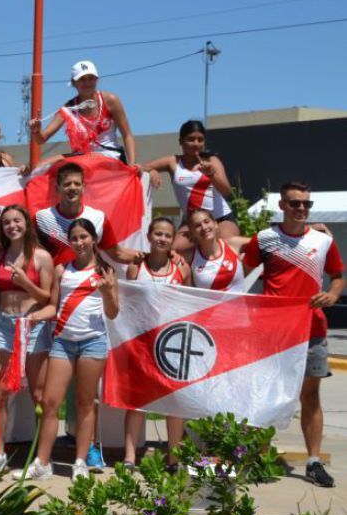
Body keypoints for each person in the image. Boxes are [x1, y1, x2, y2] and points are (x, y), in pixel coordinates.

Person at [242, 181, 344, 488]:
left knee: (310, 397)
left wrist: (333, 295)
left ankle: (313, 462)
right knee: (266, 396)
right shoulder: (264, 239)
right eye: (295, 203)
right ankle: (258, 458)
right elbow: (241, 277)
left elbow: (338, 277)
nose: (301, 209)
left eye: (306, 204)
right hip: (273, 333)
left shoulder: (323, 241)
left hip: (312, 329)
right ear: (282, 206)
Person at [14, 218, 119, 481]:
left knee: (85, 404)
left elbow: (113, 312)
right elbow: (53, 306)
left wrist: (107, 292)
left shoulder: (106, 271)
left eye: (84, 237)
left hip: (93, 341)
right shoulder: (62, 270)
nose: (79, 242)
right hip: (62, 341)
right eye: (74, 238)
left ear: (93, 239)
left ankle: (81, 462)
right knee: (50, 403)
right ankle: (42, 463)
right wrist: (36, 316)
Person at [0, 204, 53, 472]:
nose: (12, 225)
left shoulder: (42, 257)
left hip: (32, 326)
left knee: (38, 394)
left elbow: (48, 298)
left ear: (26, 224)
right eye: (7, 222)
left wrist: (26, 283)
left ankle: (41, 459)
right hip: (3, 325)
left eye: (17, 220)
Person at [123, 217, 191, 470]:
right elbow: (128, 307)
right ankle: (130, 457)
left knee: (174, 403)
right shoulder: (135, 268)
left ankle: (174, 459)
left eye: (167, 235)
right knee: (138, 402)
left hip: (172, 345)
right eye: (158, 234)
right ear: (149, 237)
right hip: (142, 344)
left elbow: (192, 304)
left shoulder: (182, 269)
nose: (162, 239)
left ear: (173, 240)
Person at [142, 120, 238, 250]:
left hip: (220, 219)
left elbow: (227, 191)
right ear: (181, 141)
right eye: (191, 139)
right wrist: (152, 170)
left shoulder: (211, 160)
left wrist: (211, 174)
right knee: (173, 250)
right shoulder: (173, 161)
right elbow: (141, 167)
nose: (196, 144)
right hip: (192, 222)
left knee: (225, 247)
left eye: (200, 140)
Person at [35, 162, 144, 266]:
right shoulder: (41, 218)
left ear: (83, 187)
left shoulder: (98, 218)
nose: (72, 188)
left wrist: (148, 257)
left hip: (89, 283)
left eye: (77, 184)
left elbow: (118, 254)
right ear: (57, 188)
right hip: (56, 283)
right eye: (67, 184)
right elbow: (29, 254)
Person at [30, 60, 136, 165]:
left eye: (91, 78)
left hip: (109, 156)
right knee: (39, 167)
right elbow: (41, 139)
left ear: (97, 79)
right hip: (82, 157)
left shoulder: (110, 100)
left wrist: (132, 165)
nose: (87, 83)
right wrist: (36, 131)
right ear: (73, 83)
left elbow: (127, 135)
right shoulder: (69, 108)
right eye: (82, 79)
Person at [182, 209, 248, 293]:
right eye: (197, 225)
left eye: (206, 222)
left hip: (239, 305)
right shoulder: (189, 256)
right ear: (192, 233)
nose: (204, 227)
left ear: (215, 224)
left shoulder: (233, 244)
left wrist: (249, 265)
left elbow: (262, 242)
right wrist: (173, 255)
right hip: (208, 306)